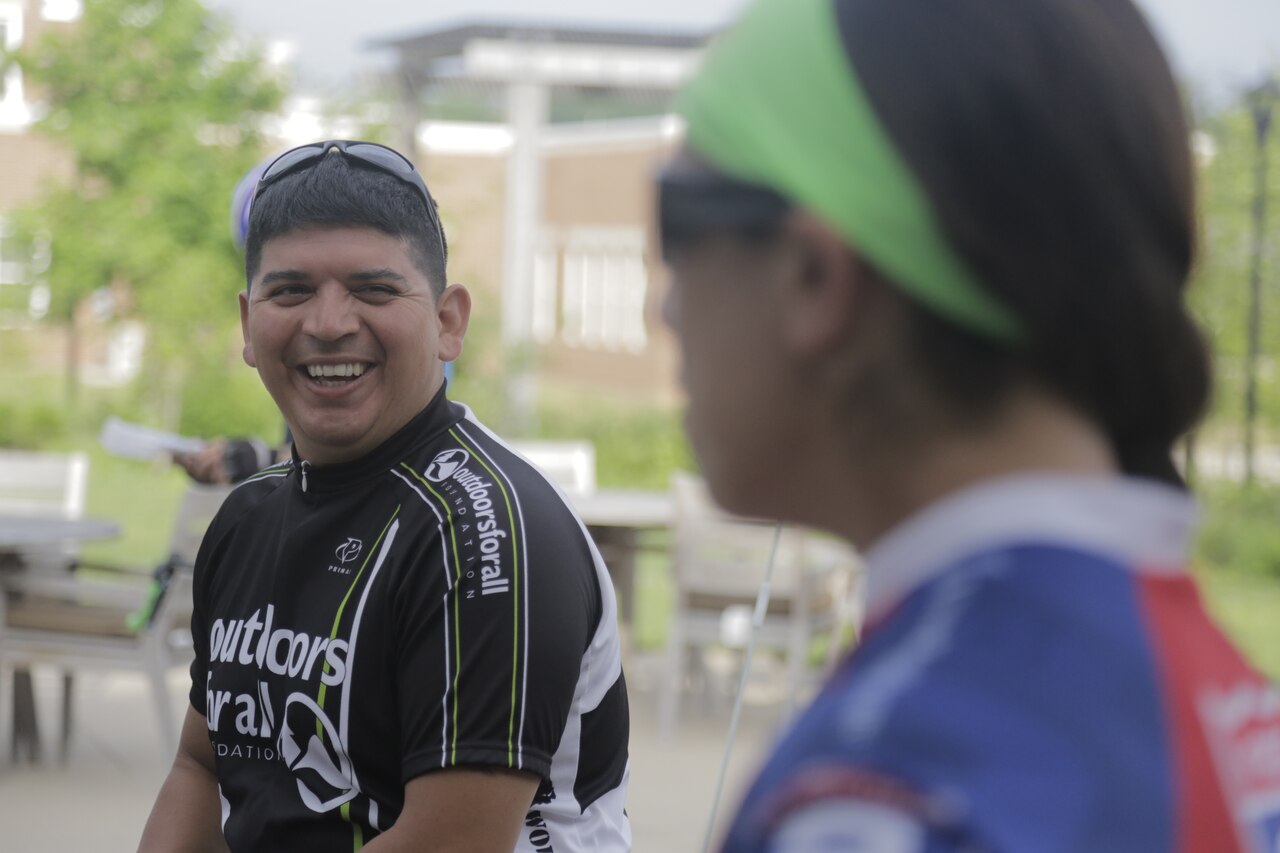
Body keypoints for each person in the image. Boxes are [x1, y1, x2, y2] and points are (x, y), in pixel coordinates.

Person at [657, 1, 1280, 851]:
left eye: (674, 223)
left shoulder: (888, 789)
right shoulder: (1219, 703)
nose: (665, 304)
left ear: (812, 276)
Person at [138, 140, 631, 852]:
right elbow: (199, 763)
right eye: (291, 290)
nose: (330, 322)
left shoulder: (488, 536)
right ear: (248, 324)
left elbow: (447, 843)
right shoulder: (247, 518)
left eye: (374, 290)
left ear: (448, 321)